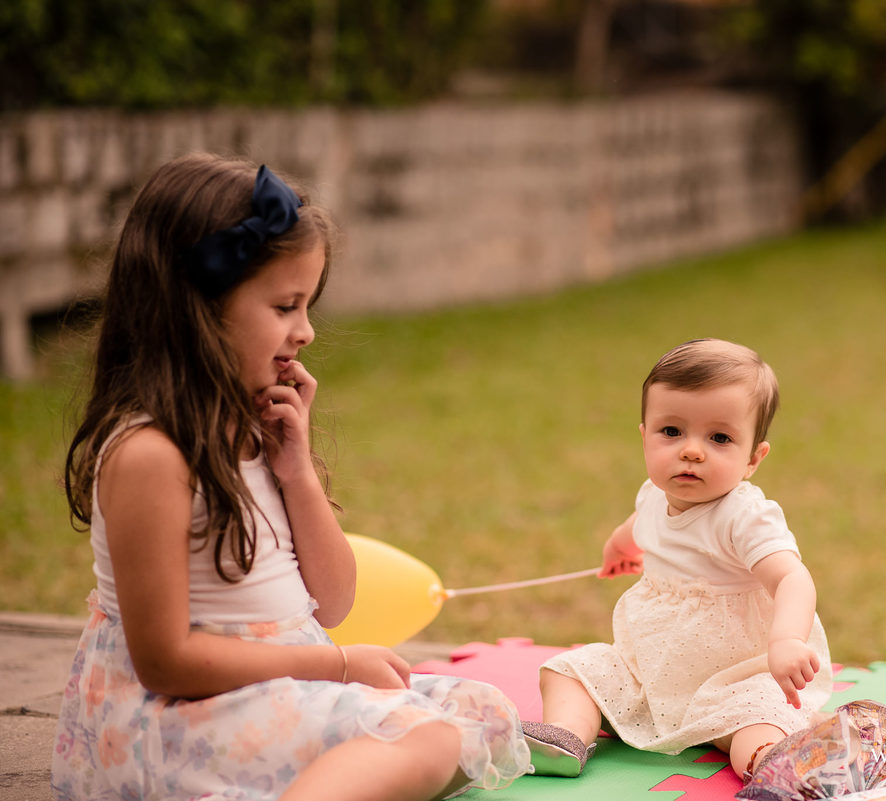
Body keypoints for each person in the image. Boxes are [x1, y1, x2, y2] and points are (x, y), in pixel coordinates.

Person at [53, 153, 530, 801]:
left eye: (308, 307)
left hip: (277, 685)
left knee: (483, 709)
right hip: (181, 718)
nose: (305, 332)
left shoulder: (256, 429)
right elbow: (165, 662)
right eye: (285, 306)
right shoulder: (150, 454)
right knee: (428, 738)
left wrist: (297, 472)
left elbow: (333, 603)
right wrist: (337, 664)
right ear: (198, 307)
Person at [525, 338, 833, 784]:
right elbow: (638, 524)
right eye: (671, 432)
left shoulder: (743, 516)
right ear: (644, 436)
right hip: (652, 673)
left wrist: (786, 640)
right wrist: (620, 548)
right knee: (570, 671)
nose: (691, 450)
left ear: (753, 458)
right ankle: (566, 736)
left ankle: (773, 762)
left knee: (758, 718)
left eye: (719, 438)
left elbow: (792, 578)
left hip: (734, 679)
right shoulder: (654, 494)